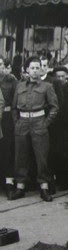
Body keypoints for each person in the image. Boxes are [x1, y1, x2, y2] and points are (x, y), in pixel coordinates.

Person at [9, 56, 59, 202]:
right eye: (32, 68)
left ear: (41, 69)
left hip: (39, 123)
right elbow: (13, 108)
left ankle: (44, 188)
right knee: (21, 156)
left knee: (41, 156)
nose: (35, 71)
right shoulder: (19, 86)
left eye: (38, 68)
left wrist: (45, 123)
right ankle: (20, 187)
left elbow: (55, 107)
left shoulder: (47, 86)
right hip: (22, 123)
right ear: (27, 69)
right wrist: (17, 122)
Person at [0, 56, 17, 198]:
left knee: (7, 150)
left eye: (0, 64)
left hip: (6, 119)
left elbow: (15, 102)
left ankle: (9, 183)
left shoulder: (11, 80)